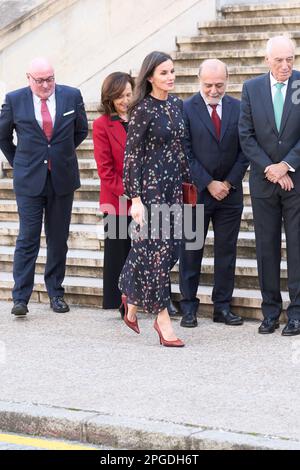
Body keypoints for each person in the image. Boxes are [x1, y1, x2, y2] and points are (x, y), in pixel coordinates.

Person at [0, 57, 88, 317]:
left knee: (58, 238)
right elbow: (3, 136)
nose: (46, 84)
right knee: (28, 238)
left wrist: (59, 154)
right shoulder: (15, 99)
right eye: (40, 80)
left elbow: (81, 130)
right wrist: (20, 161)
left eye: (50, 78)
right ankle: (21, 297)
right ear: (29, 79)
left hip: (62, 177)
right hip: (29, 180)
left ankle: (56, 294)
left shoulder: (72, 96)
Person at [118, 51, 190, 347]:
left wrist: (187, 184)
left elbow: (180, 147)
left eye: (172, 71)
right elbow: (131, 157)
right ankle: (163, 323)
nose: (170, 77)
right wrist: (135, 198)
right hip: (150, 190)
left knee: (167, 251)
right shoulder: (142, 110)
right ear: (149, 77)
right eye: (163, 73)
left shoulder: (176, 104)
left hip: (174, 188)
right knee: (157, 254)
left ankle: (130, 297)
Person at [179, 59, 248, 328]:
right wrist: (209, 183)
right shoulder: (185, 108)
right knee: (190, 251)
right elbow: (185, 151)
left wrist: (228, 183)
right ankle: (188, 308)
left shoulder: (239, 108)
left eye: (219, 84)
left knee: (226, 252)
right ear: (199, 81)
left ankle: (222, 307)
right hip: (196, 193)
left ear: (227, 81)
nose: (213, 90)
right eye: (208, 85)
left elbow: (245, 151)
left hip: (230, 195)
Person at [239, 36, 300, 336]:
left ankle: (297, 314)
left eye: (291, 59)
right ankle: (270, 312)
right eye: (280, 60)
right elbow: (246, 135)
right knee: (266, 247)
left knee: (298, 247)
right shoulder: (251, 89)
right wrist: (271, 170)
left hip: (296, 180)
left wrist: (286, 165)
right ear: (267, 60)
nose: (286, 65)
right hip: (264, 182)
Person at [93, 72, 134, 311]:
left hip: (145, 199)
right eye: (119, 96)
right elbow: (105, 170)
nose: (125, 100)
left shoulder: (140, 117)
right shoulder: (101, 125)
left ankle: (151, 299)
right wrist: (131, 193)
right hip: (117, 200)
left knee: (147, 251)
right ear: (109, 97)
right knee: (119, 253)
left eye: (128, 94)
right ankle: (120, 302)